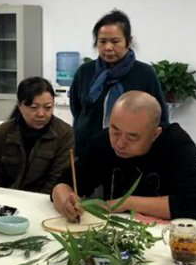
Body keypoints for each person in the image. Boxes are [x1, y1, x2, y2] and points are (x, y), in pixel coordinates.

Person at [52, 91, 196, 222]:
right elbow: (63, 184)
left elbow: (192, 204)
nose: (120, 143)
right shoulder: (102, 142)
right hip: (113, 232)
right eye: (115, 130)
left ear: (155, 134)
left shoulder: (176, 144)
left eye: (132, 137)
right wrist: (66, 202)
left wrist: (126, 203)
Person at [69, 9, 167, 158]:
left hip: (130, 153)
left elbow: (159, 117)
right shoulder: (85, 72)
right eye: (102, 41)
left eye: (115, 41)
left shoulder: (144, 74)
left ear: (128, 41)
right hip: (87, 151)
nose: (108, 47)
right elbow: (76, 109)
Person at [0, 77, 73, 194]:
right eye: (34, 108)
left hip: (43, 200)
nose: (41, 114)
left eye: (48, 107)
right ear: (20, 106)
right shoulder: (3, 132)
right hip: (5, 199)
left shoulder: (64, 134)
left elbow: (56, 181)